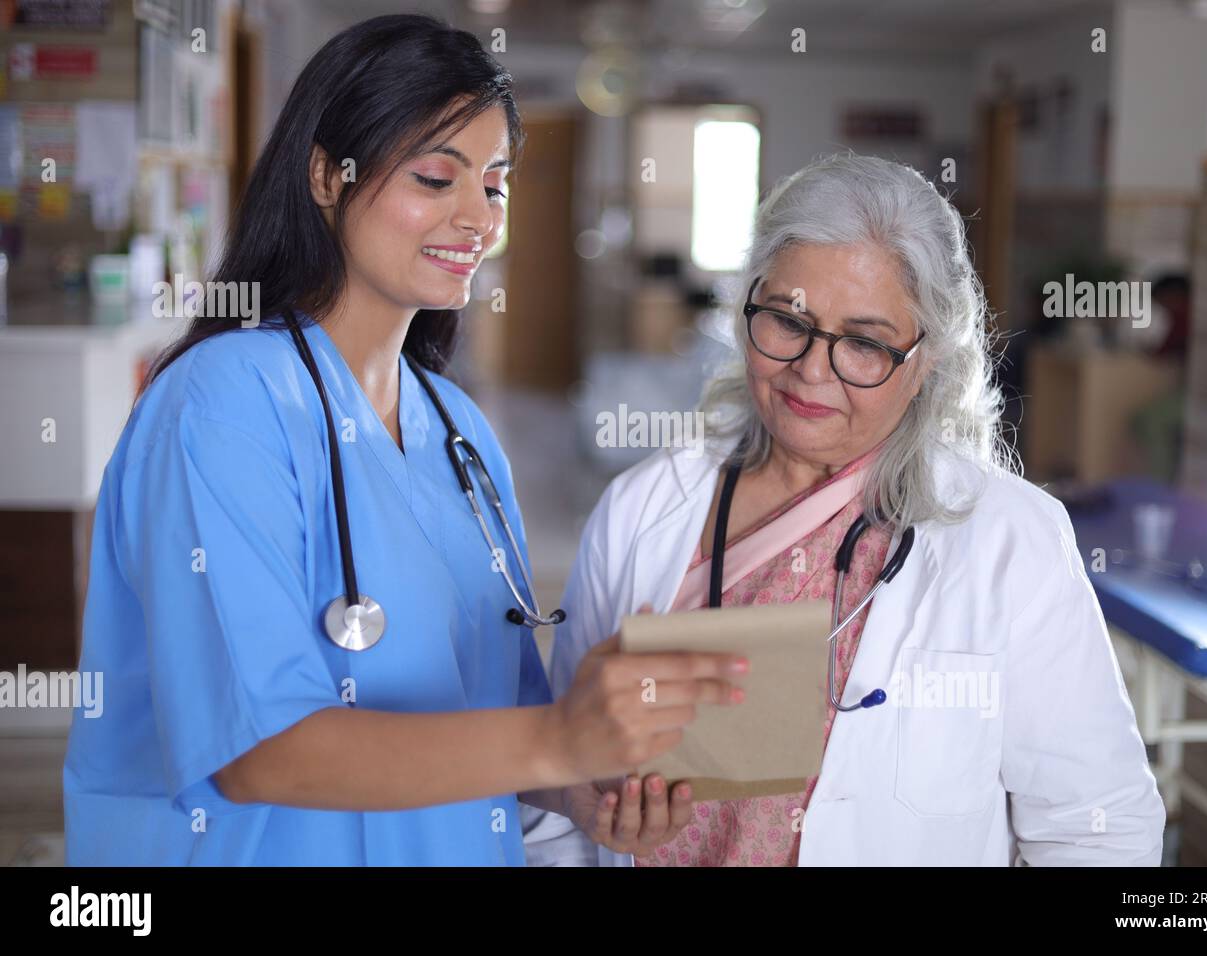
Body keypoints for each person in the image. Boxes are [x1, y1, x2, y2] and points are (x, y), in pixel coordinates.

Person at [63, 14, 742, 866]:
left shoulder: (463, 437)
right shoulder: (223, 403)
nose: (477, 218)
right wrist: (557, 742)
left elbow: (496, 720)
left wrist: (590, 788)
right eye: (436, 176)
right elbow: (256, 751)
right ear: (324, 176)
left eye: (495, 186)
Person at [550, 154, 1166, 866]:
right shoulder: (643, 511)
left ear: (926, 357)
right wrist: (582, 798)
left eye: (867, 344)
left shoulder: (1009, 539)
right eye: (787, 321)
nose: (813, 369)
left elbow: (1097, 829)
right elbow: (555, 775)